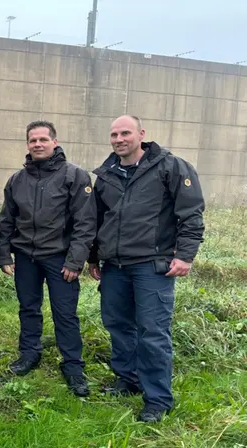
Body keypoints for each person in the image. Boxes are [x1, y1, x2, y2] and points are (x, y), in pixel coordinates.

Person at [87, 115, 205, 422]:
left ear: (141, 134)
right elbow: (98, 220)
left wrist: (186, 255)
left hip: (152, 266)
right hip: (115, 266)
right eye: (114, 134)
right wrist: (93, 257)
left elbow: (191, 214)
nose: (118, 139)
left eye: (125, 132)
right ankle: (129, 379)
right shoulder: (108, 174)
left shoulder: (171, 167)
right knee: (117, 324)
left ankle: (158, 399)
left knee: (152, 332)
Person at [0, 120, 96, 397]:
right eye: (32, 140)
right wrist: (4, 254)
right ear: (27, 144)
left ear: (54, 141)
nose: (37, 144)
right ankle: (29, 354)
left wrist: (76, 261)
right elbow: (6, 221)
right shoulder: (17, 180)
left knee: (65, 314)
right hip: (26, 257)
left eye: (43, 139)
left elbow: (85, 223)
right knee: (28, 308)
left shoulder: (74, 176)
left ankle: (73, 366)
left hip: (60, 259)